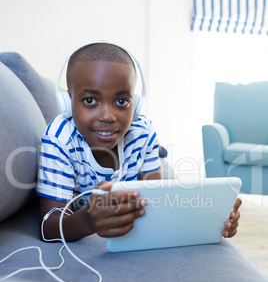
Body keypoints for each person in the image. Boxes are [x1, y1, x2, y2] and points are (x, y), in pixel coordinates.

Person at [37, 42, 241, 242]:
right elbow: (49, 228)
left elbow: (157, 204)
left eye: (121, 101)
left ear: (136, 105)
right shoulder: (58, 141)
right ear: (67, 103)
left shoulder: (143, 131)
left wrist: (212, 215)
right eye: (90, 100)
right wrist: (88, 221)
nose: (108, 116)